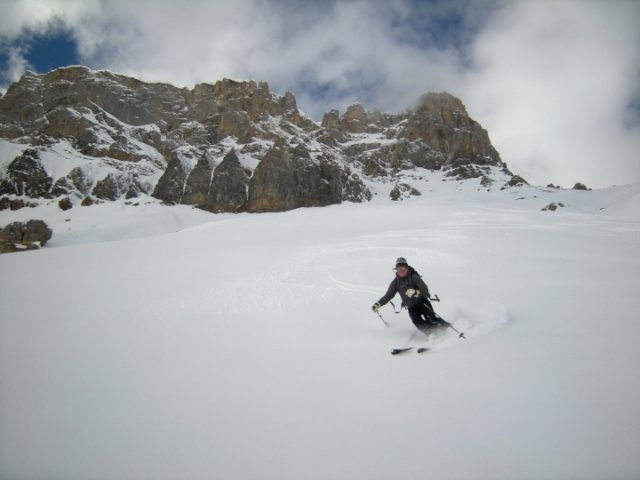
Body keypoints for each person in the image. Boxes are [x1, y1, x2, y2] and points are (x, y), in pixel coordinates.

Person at [372, 257, 448, 336]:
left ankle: (447, 328)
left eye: (403, 268)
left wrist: (416, 292)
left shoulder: (414, 277)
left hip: (422, 302)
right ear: (396, 270)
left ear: (407, 268)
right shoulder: (395, 283)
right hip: (411, 307)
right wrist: (378, 304)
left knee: (431, 319)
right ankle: (433, 334)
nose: (401, 270)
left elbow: (425, 289)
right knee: (418, 322)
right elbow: (388, 295)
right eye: (399, 268)